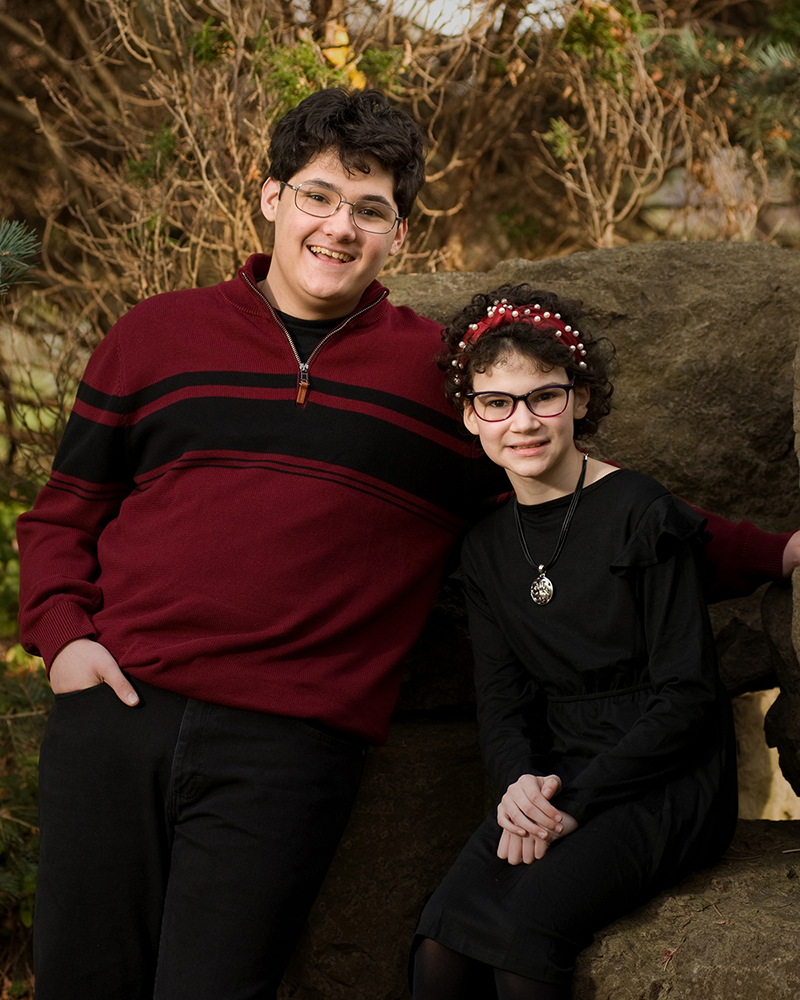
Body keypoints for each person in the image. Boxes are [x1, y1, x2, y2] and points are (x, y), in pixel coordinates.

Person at [14, 87, 794, 999]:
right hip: (116, 714)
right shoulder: (156, 335)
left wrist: (777, 554)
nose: (339, 228)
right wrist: (64, 640)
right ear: (270, 197)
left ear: (399, 232)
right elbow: (66, 511)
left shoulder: (438, 382)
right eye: (317, 196)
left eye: (370, 209)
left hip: (285, 749)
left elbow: (580, 499)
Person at [411, 286, 739, 1000]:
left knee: (520, 942)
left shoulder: (643, 513)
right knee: (442, 943)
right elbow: (502, 701)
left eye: (544, 397)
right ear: (470, 414)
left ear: (580, 399)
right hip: (556, 769)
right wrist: (519, 787)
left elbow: (687, 696)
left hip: (666, 773)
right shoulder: (486, 547)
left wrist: (574, 804)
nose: (522, 422)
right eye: (497, 402)